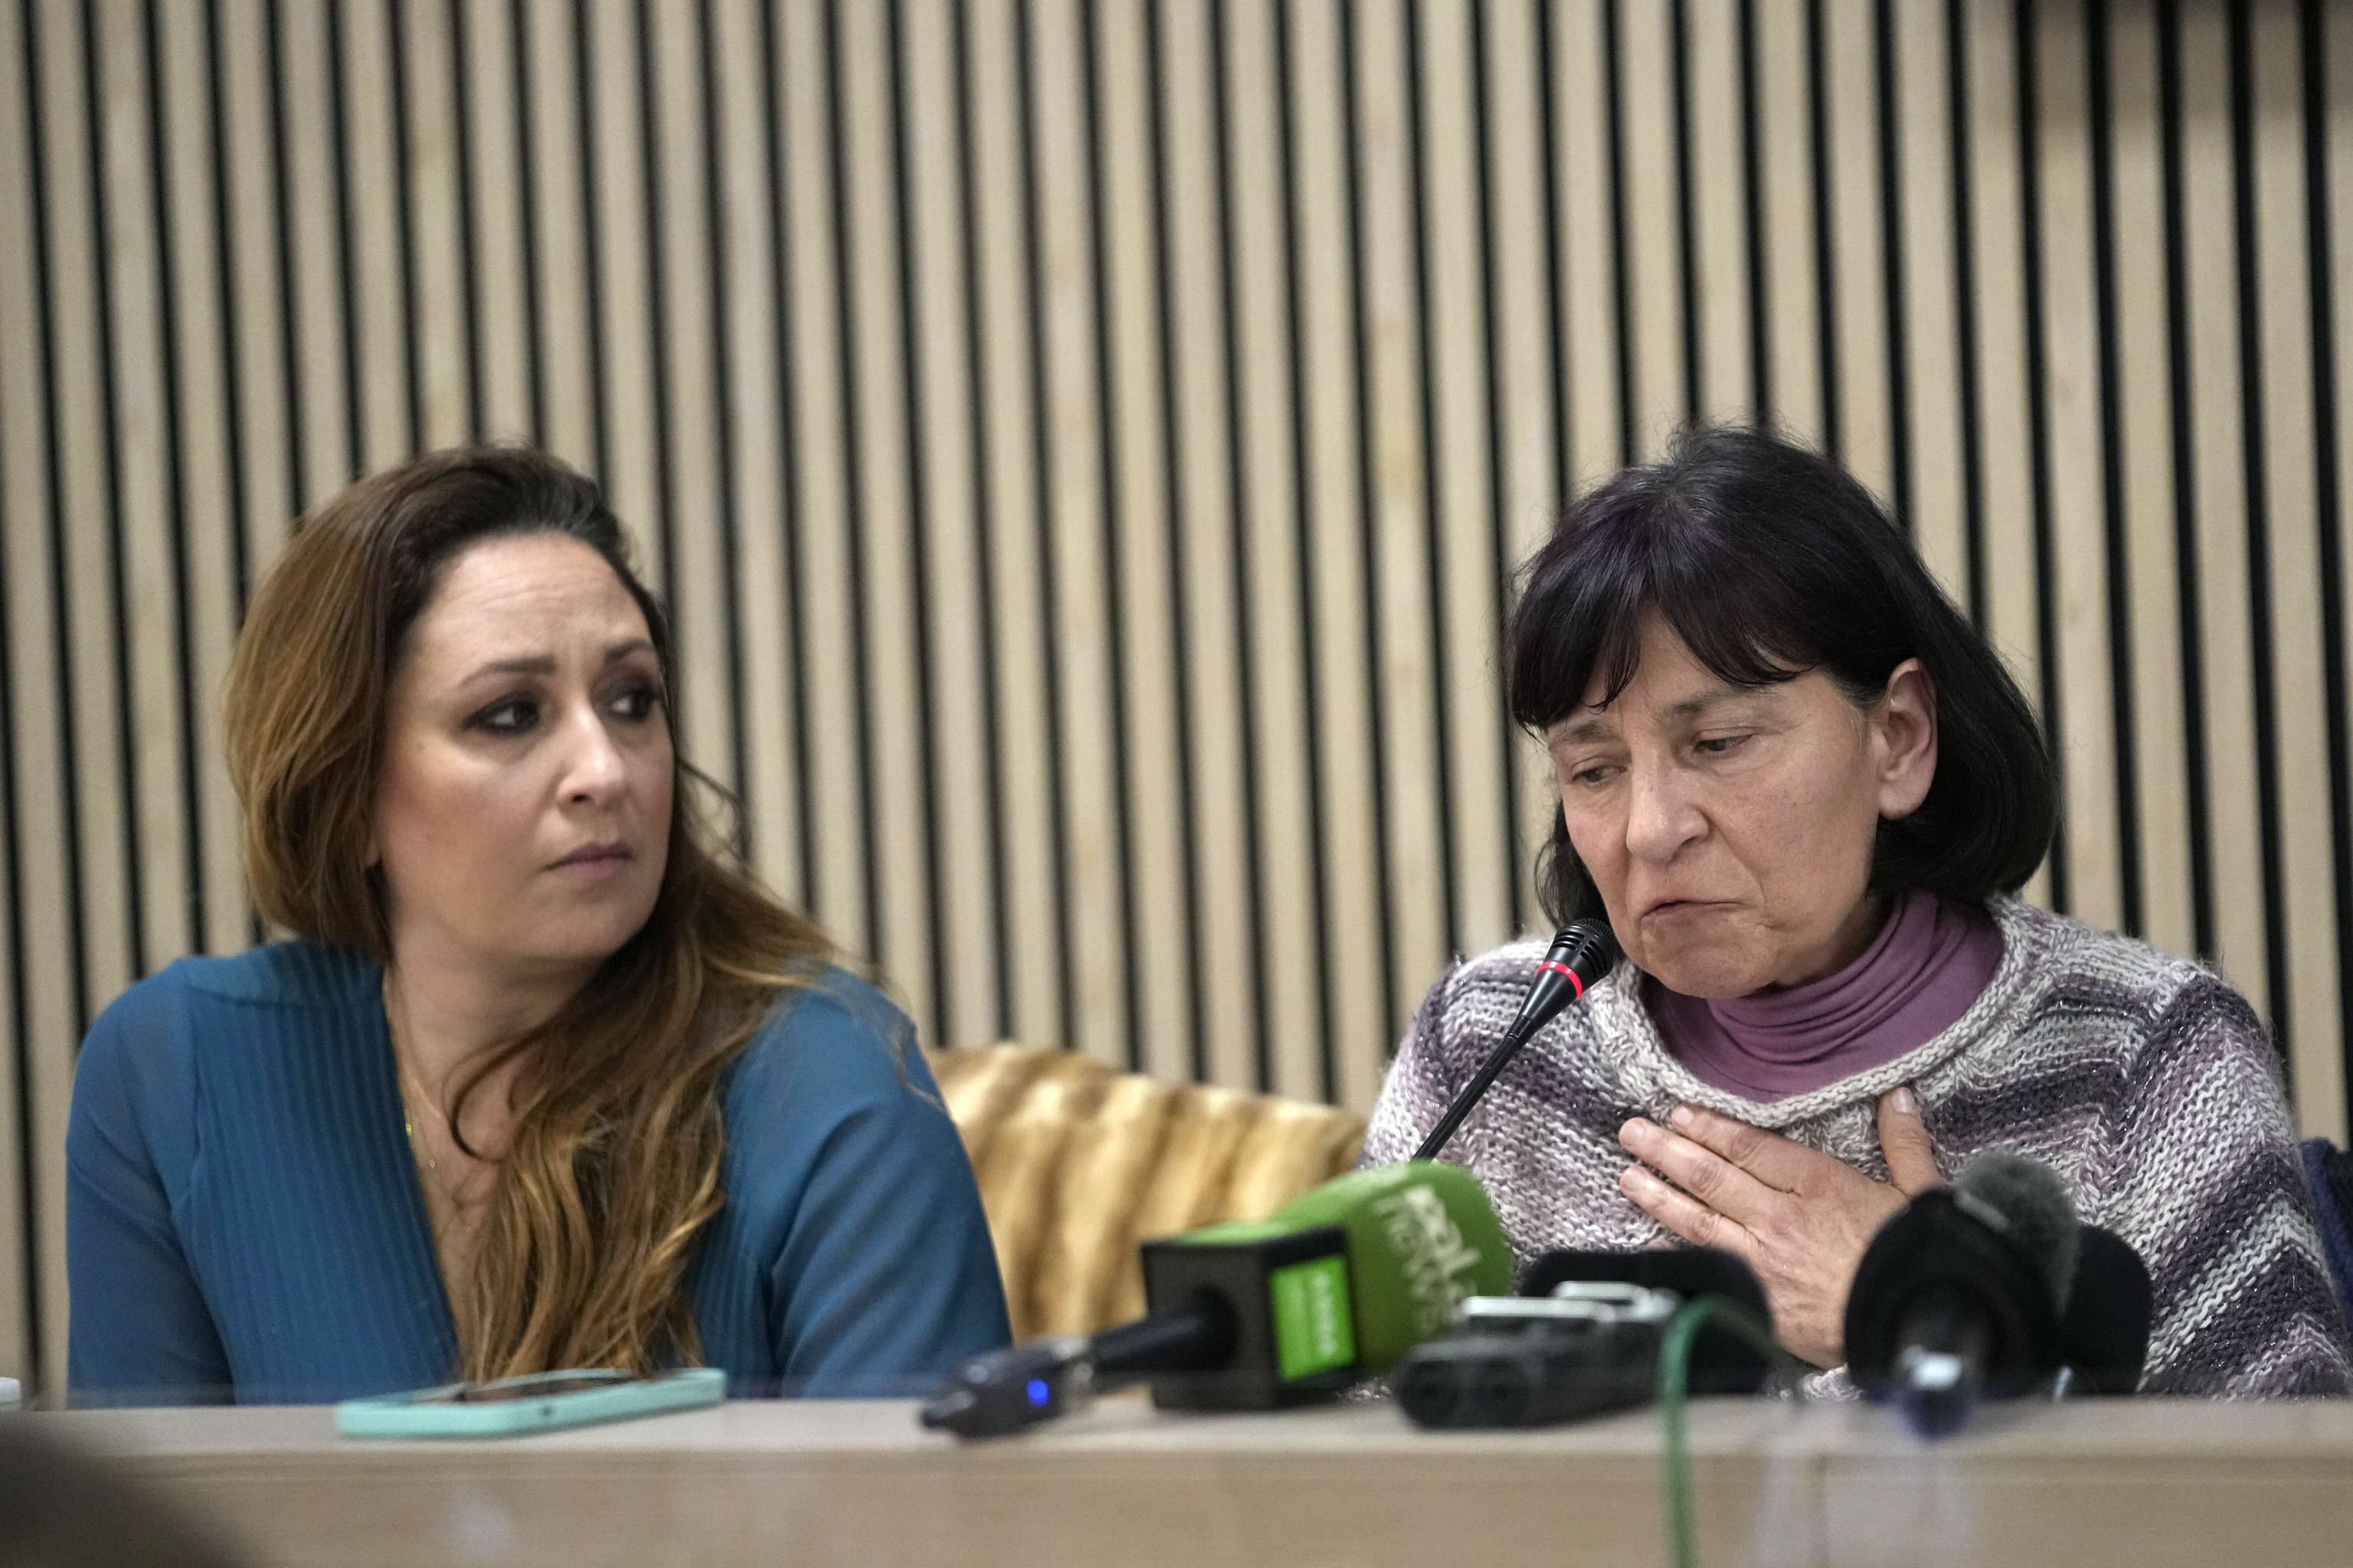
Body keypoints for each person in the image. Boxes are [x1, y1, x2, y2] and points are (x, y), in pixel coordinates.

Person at [1360, 424, 2351, 1396]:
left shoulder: (2140, 1056)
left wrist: (1935, 1330)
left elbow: (2274, 1516)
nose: (1650, 829)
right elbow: (1336, 1496)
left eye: (1719, 742)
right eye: (1593, 767)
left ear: (1901, 734)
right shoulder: (1493, 1048)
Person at [66, 446, 1010, 1404]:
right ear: (345, 799)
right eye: (511, 714)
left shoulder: (825, 1079)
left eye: (631, 699)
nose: (605, 769)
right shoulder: (176, 1072)